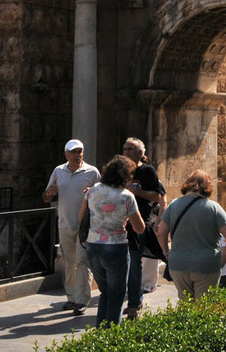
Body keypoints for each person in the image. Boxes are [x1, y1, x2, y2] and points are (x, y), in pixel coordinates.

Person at [78, 155, 144, 327]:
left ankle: (101, 335)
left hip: (93, 246)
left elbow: (80, 217)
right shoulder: (127, 197)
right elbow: (140, 228)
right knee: (116, 295)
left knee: (105, 292)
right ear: (124, 176)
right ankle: (112, 337)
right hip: (116, 247)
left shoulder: (92, 191)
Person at [158, 169, 226, 301]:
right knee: (204, 308)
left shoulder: (174, 205)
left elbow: (161, 232)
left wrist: (166, 252)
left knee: (186, 306)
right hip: (206, 265)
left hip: (179, 264)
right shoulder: (213, 207)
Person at [43, 139, 99, 315]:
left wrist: (92, 191)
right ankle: (71, 298)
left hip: (85, 226)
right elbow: (46, 197)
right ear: (66, 154)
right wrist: (49, 193)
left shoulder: (92, 172)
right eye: (73, 152)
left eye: (80, 151)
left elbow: (101, 195)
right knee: (70, 263)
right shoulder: (58, 171)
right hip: (65, 224)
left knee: (83, 262)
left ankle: (82, 300)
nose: (77, 155)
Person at [121, 137, 164, 319]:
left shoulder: (147, 171)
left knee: (134, 264)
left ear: (140, 153)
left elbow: (157, 196)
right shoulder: (119, 170)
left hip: (138, 225)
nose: (126, 152)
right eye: (124, 148)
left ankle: (134, 304)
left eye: (130, 149)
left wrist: (135, 191)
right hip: (118, 224)